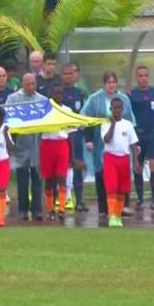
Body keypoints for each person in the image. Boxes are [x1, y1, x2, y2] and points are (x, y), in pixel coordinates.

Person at [82, 71, 136, 217]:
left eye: (113, 82)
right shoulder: (94, 99)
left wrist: (134, 142)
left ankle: (122, 206)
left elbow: (131, 120)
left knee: (122, 175)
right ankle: (103, 208)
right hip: (101, 141)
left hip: (121, 142)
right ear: (104, 84)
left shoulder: (124, 98)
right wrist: (89, 139)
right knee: (101, 172)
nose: (111, 85)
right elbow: (86, 118)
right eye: (109, 82)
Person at [128, 65, 154, 210]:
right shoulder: (131, 94)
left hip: (152, 134)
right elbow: (127, 114)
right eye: (140, 75)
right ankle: (139, 199)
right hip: (138, 135)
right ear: (136, 77)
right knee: (138, 167)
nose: (143, 78)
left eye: (145, 75)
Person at [6, 73, 46, 221]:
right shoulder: (13, 99)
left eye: (33, 84)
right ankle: (23, 209)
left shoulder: (42, 100)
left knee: (37, 178)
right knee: (22, 179)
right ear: (22, 84)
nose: (31, 87)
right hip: (21, 145)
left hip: (37, 144)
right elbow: (7, 120)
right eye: (28, 84)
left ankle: (37, 210)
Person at [101, 98, 141, 228]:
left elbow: (134, 145)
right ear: (110, 109)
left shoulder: (128, 125)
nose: (117, 111)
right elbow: (106, 139)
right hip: (110, 157)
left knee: (122, 189)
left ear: (122, 109)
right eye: (114, 108)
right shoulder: (106, 123)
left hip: (124, 158)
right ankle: (112, 215)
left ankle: (118, 216)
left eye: (119, 108)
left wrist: (136, 162)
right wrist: (112, 125)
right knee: (111, 188)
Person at [40, 85, 75, 221]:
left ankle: (61, 208)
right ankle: (50, 209)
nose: (58, 96)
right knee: (49, 179)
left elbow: (70, 134)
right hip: (47, 144)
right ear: (51, 94)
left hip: (62, 144)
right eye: (56, 93)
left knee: (61, 177)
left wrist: (72, 156)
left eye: (61, 93)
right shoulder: (44, 110)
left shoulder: (67, 111)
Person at [60, 63, 88, 212]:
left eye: (71, 73)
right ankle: (64, 198)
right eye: (65, 74)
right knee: (63, 167)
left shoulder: (81, 93)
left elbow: (84, 115)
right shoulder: (58, 92)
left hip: (76, 135)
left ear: (75, 75)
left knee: (77, 165)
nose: (68, 76)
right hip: (62, 135)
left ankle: (80, 200)